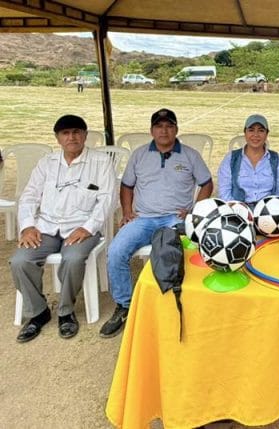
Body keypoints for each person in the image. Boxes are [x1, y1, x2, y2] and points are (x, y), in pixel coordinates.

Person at [101, 108, 213, 338]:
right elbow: (127, 186)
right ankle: (125, 305)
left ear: (176, 129)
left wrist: (193, 211)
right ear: (152, 130)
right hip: (143, 218)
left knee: (183, 251)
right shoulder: (140, 155)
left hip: (175, 218)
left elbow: (207, 184)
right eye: (159, 126)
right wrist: (127, 211)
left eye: (169, 126)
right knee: (116, 252)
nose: (164, 130)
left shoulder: (190, 155)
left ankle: (178, 300)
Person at [11, 115, 116, 342]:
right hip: (46, 227)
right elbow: (29, 196)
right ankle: (38, 312)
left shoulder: (100, 161)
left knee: (74, 258)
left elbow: (107, 199)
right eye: (66, 133)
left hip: (81, 227)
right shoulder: (47, 162)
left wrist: (87, 228)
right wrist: (28, 226)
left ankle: (66, 311)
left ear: (86, 135)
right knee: (20, 261)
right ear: (58, 138)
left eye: (77, 132)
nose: (72, 137)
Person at [217, 113, 279, 206]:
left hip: (269, 213)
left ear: (267, 134)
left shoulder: (277, 159)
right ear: (245, 133)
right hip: (237, 213)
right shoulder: (231, 159)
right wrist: (239, 210)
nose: (256, 135)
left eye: (261, 130)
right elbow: (224, 193)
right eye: (251, 130)